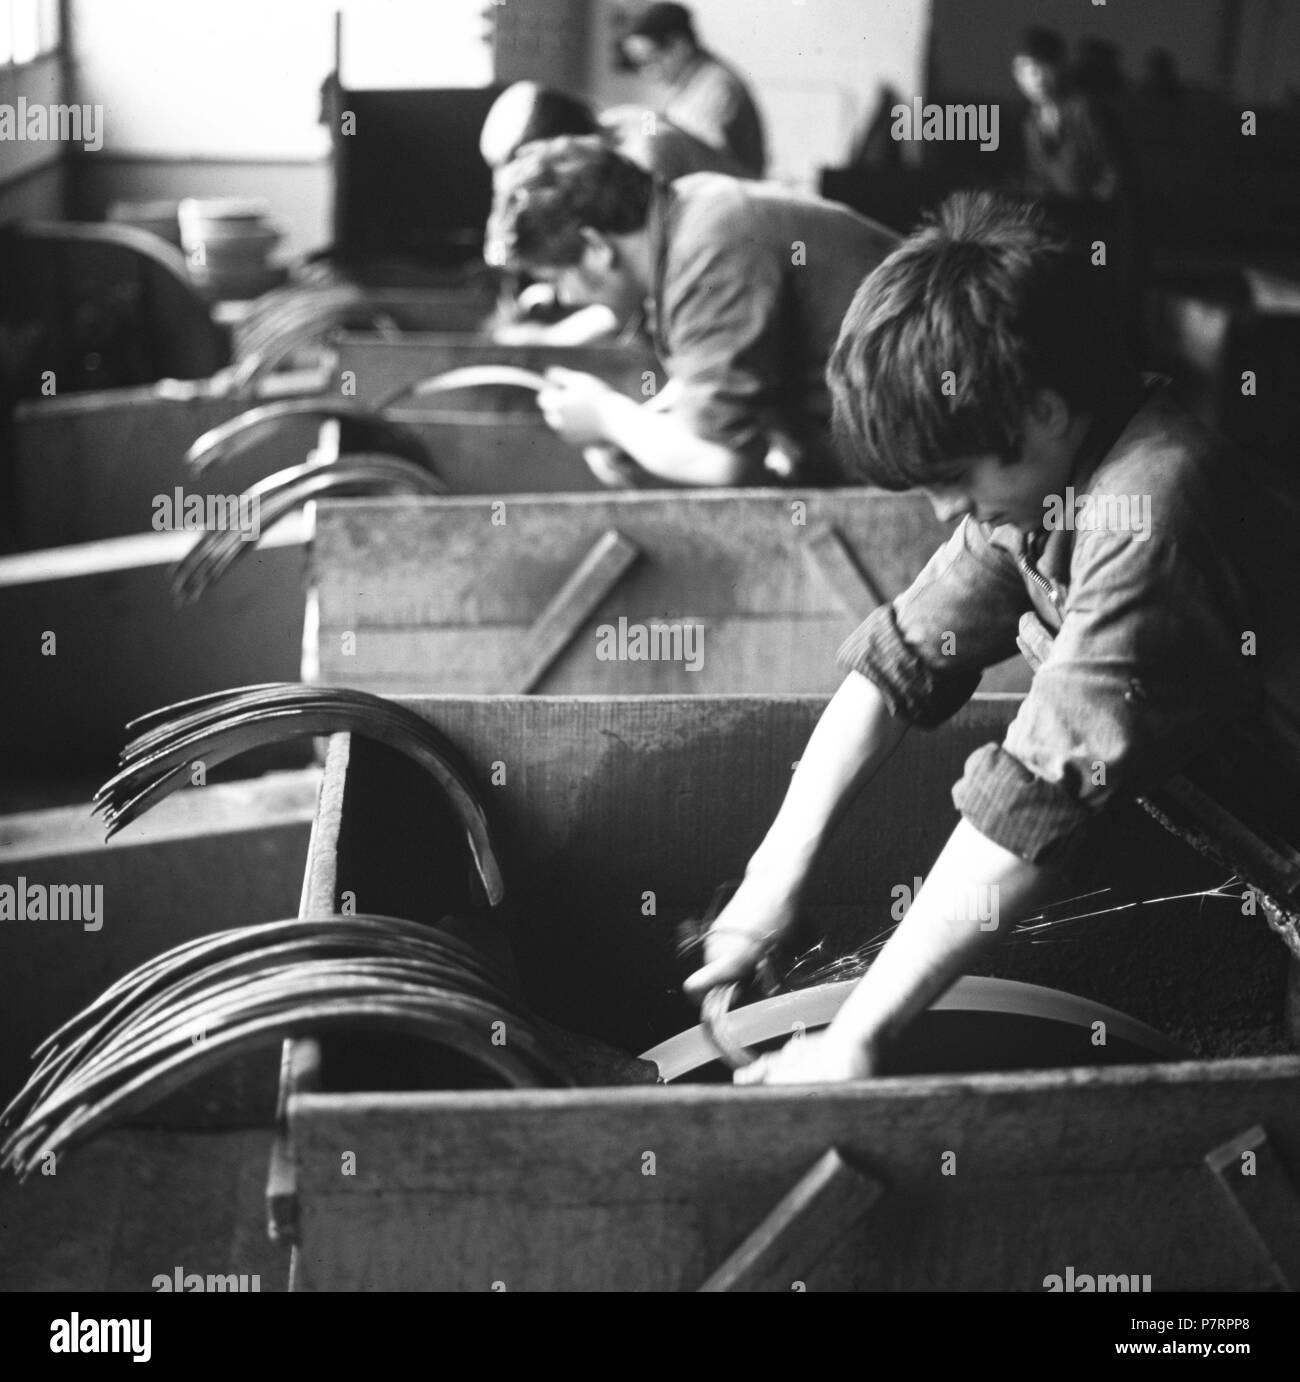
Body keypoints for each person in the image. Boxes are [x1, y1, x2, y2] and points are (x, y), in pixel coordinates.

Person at [683, 192, 1300, 1082]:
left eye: (955, 477)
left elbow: (1029, 811)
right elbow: (896, 665)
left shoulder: (1153, 513)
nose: (945, 511)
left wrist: (857, 1036)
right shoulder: (1051, 489)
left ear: (1044, 410)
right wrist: (773, 871)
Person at [484, 136, 897, 487]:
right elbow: (706, 388)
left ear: (595, 247)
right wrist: (641, 431)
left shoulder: (711, 246)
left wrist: (608, 417)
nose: (566, 299)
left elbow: (722, 460)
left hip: (932, 451)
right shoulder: (687, 213)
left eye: (557, 280)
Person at [621, 3, 766, 178]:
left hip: (733, 190)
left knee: (650, 128)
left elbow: (688, 151)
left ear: (679, 45)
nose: (647, 72)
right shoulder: (690, 81)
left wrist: (646, 122)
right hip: (713, 187)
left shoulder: (717, 84)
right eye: (638, 64)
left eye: (650, 60)